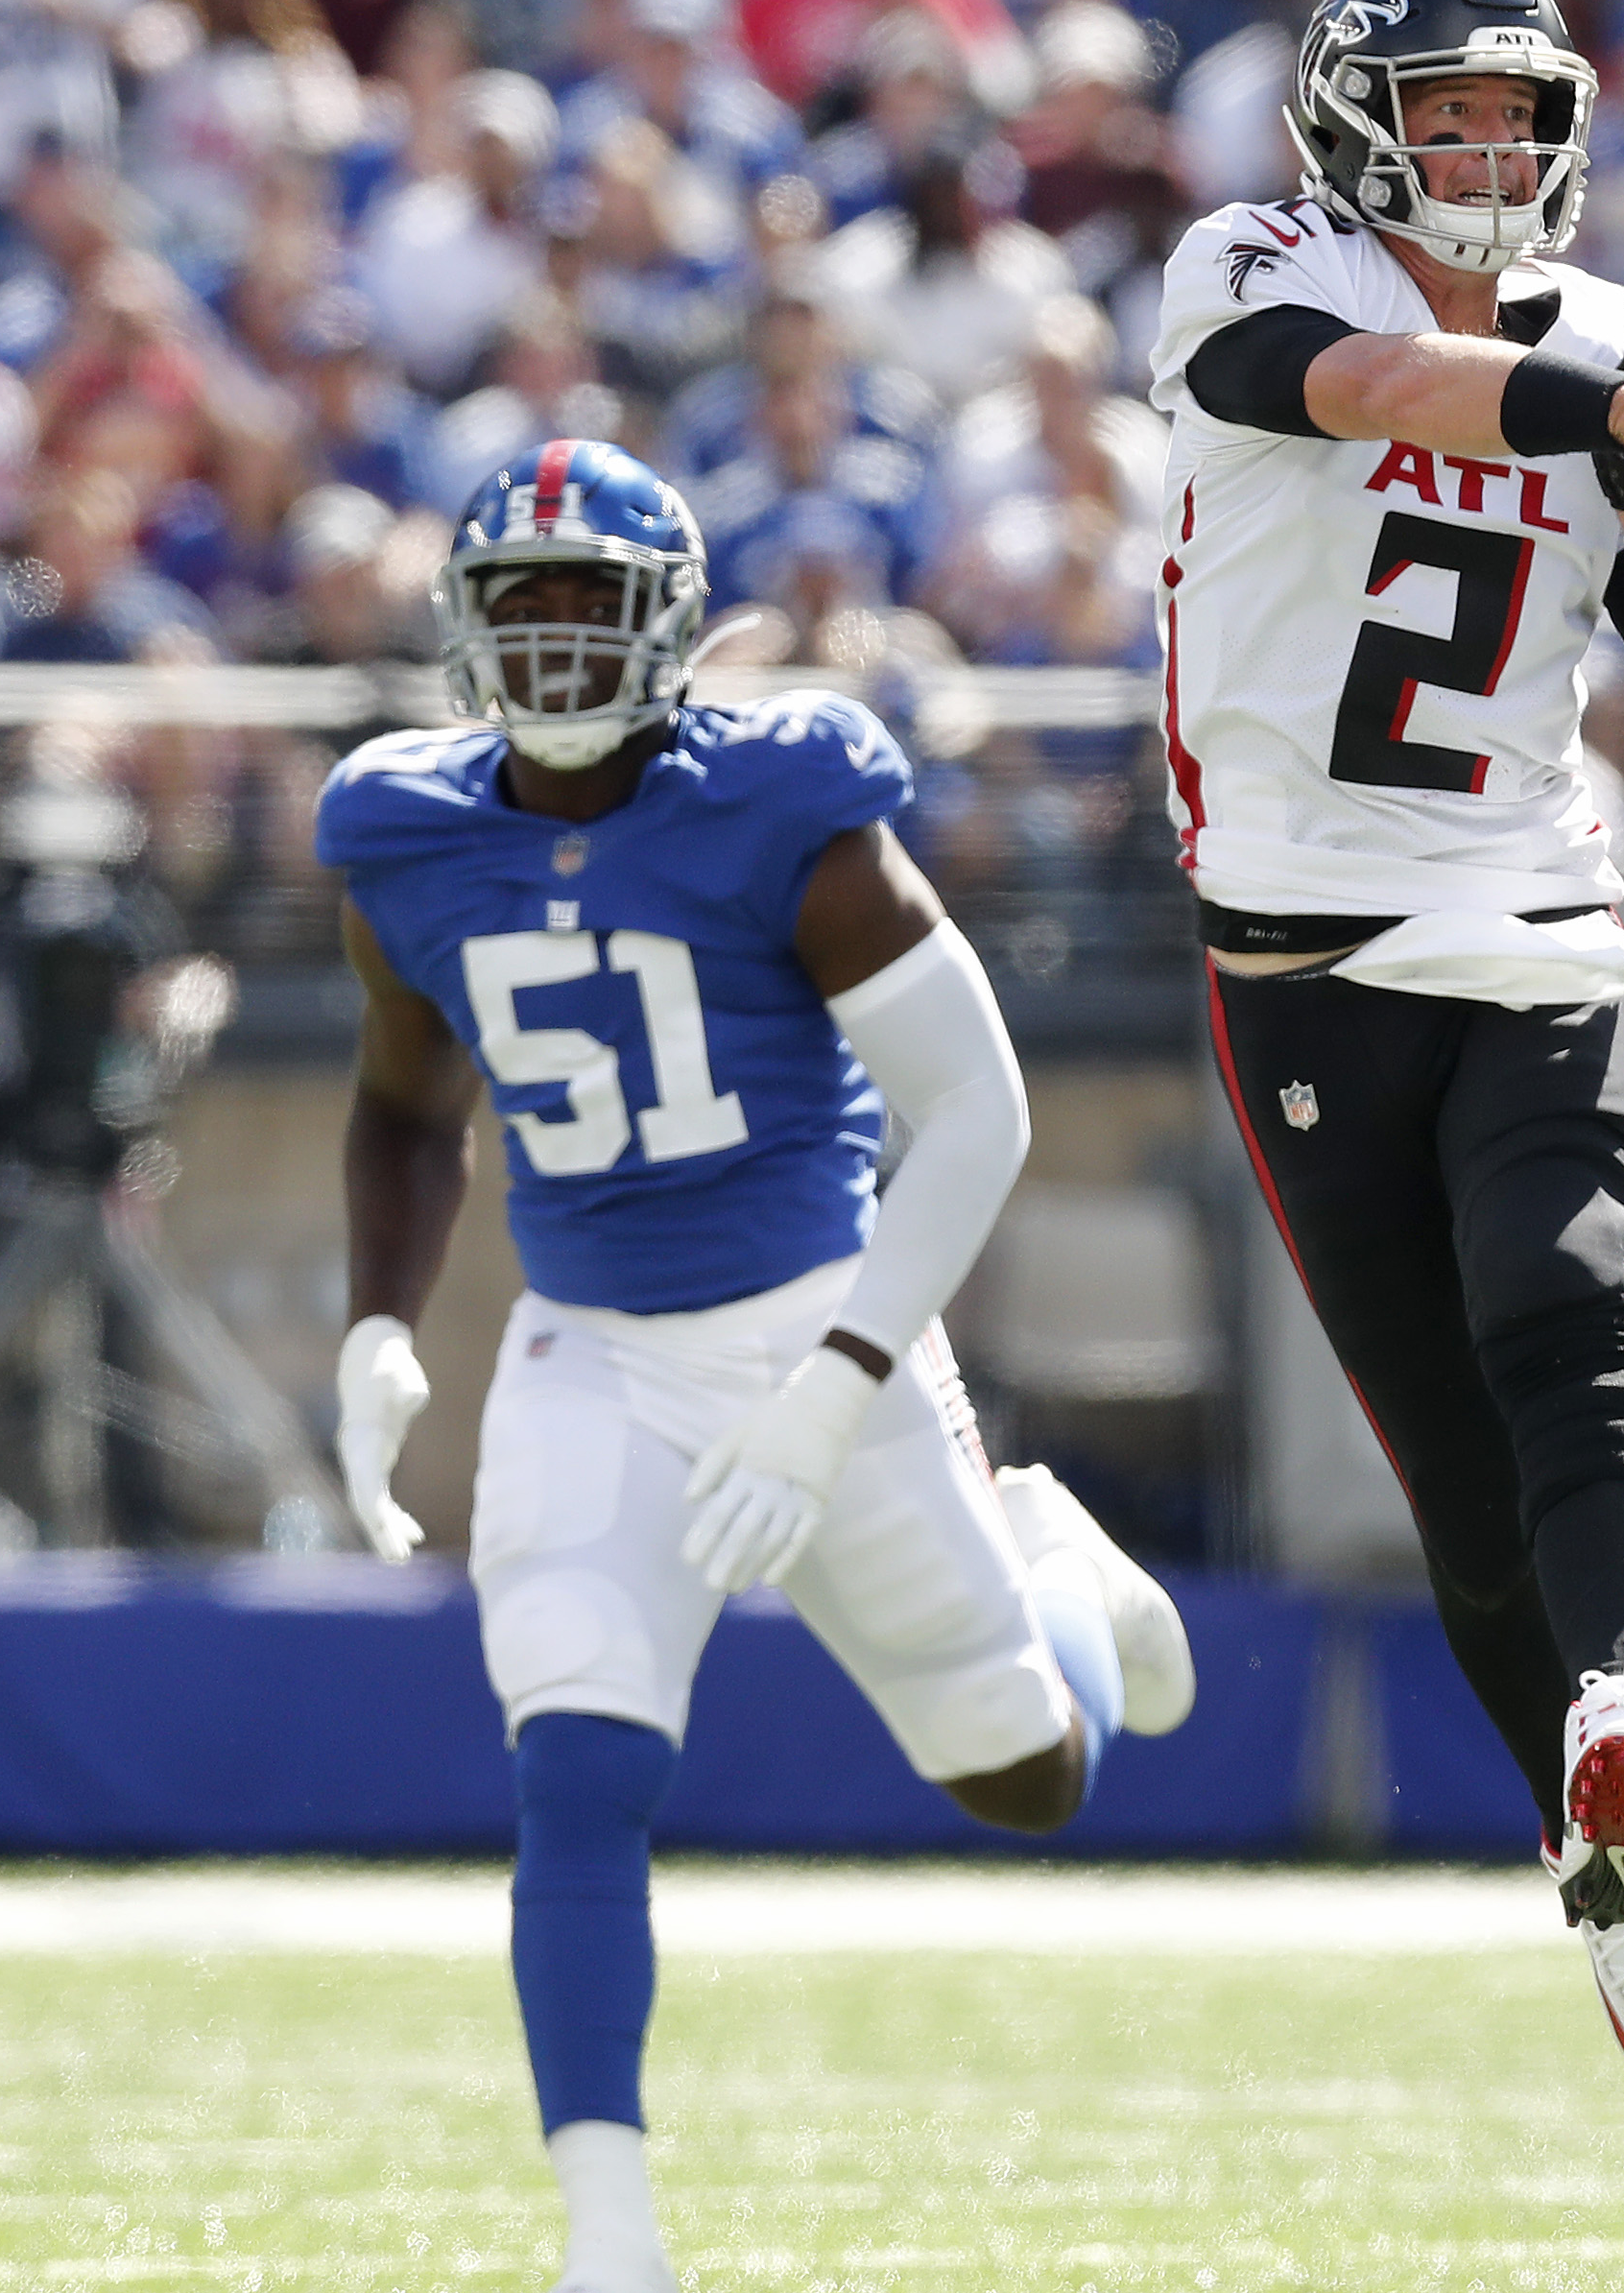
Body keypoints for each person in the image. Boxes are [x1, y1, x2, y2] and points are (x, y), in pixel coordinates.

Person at [317, 442, 1197, 2293]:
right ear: (462, 630)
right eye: (519, 605)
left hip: (819, 1310)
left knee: (1017, 1776)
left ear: (674, 627)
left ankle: (1063, 1580)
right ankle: (610, 2240)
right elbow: (405, 1107)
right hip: (587, 1353)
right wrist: (380, 1323)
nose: (553, 646)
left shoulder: (783, 806)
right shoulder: (401, 828)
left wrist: (834, 1382)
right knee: (574, 1763)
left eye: (589, 602)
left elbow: (975, 1115)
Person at [1145, 0, 1624, 2114]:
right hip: (1305, 946)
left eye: (1526, 116)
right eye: (1452, 109)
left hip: (1525, 903)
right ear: (1353, 128)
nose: (1495, 150)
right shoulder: (1250, 268)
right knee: (1451, 1477)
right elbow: (1381, 395)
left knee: (1574, 1317)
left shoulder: (1617, 348)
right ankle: (1608, 1876)